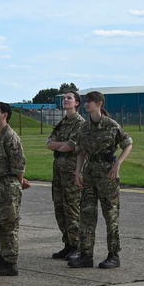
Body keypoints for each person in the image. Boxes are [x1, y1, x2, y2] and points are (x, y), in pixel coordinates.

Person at [70, 91, 133, 270]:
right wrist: (77, 172)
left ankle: (113, 255)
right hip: (90, 174)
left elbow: (127, 143)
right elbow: (81, 151)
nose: (86, 104)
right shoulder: (84, 127)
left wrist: (118, 164)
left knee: (110, 215)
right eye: (86, 101)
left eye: (90, 101)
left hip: (107, 175)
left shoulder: (111, 125)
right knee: (87, 215)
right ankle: (86, 255)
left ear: (99, 103)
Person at [0, 101, 31, 276]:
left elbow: (18, 165)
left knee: (8, 224)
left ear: (5, 115)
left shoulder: (11, 137)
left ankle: (10, 263)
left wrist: (19, 182)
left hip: (8, 185)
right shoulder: (0, 135)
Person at [48, 90, 85, 260]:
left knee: (72, 208)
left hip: (71, 170)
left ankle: (77, 245)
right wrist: (62, 145)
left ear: (77, 103)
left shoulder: (80, 123)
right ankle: (68, 244)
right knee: (59, 207)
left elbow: (72, 145)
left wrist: (60, 146)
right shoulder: (62, 123)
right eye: (64, 98)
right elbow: (49, 144)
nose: (65, 100)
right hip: (58, 169)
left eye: (69, 98)